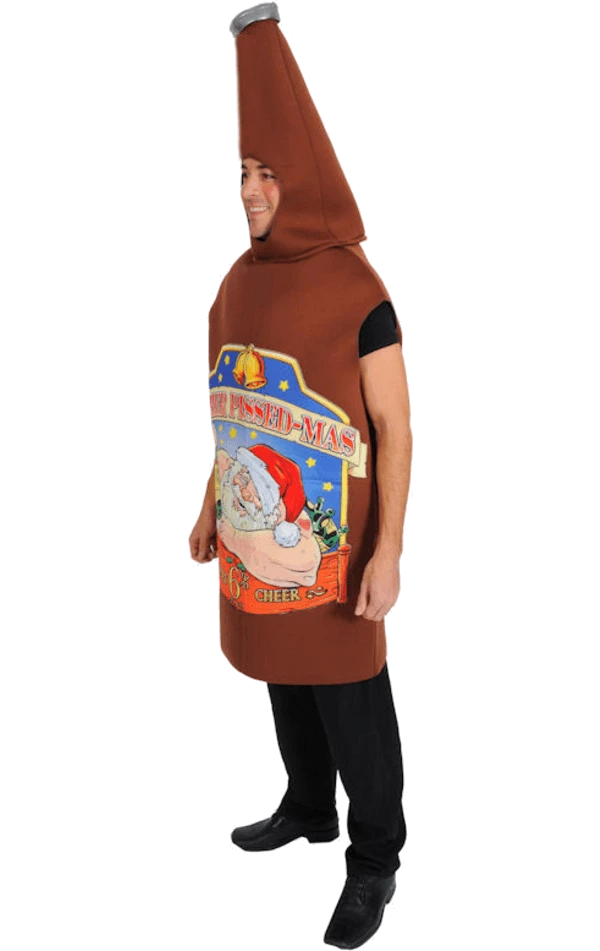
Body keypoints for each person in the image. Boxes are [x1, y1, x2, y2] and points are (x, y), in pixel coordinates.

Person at [190, 5, 412, 949]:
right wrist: (210, 506)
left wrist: (387, 549)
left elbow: (394, 428)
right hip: (257, 529)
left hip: (337, 545)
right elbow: (231, 414)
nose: (251, 191)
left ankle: (376, 856)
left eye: (269, 175)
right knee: (282, 669)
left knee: (349, 691)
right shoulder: (237, 285)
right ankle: (309, 806)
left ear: (306, 178)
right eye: (245, 173)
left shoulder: (358, 291)